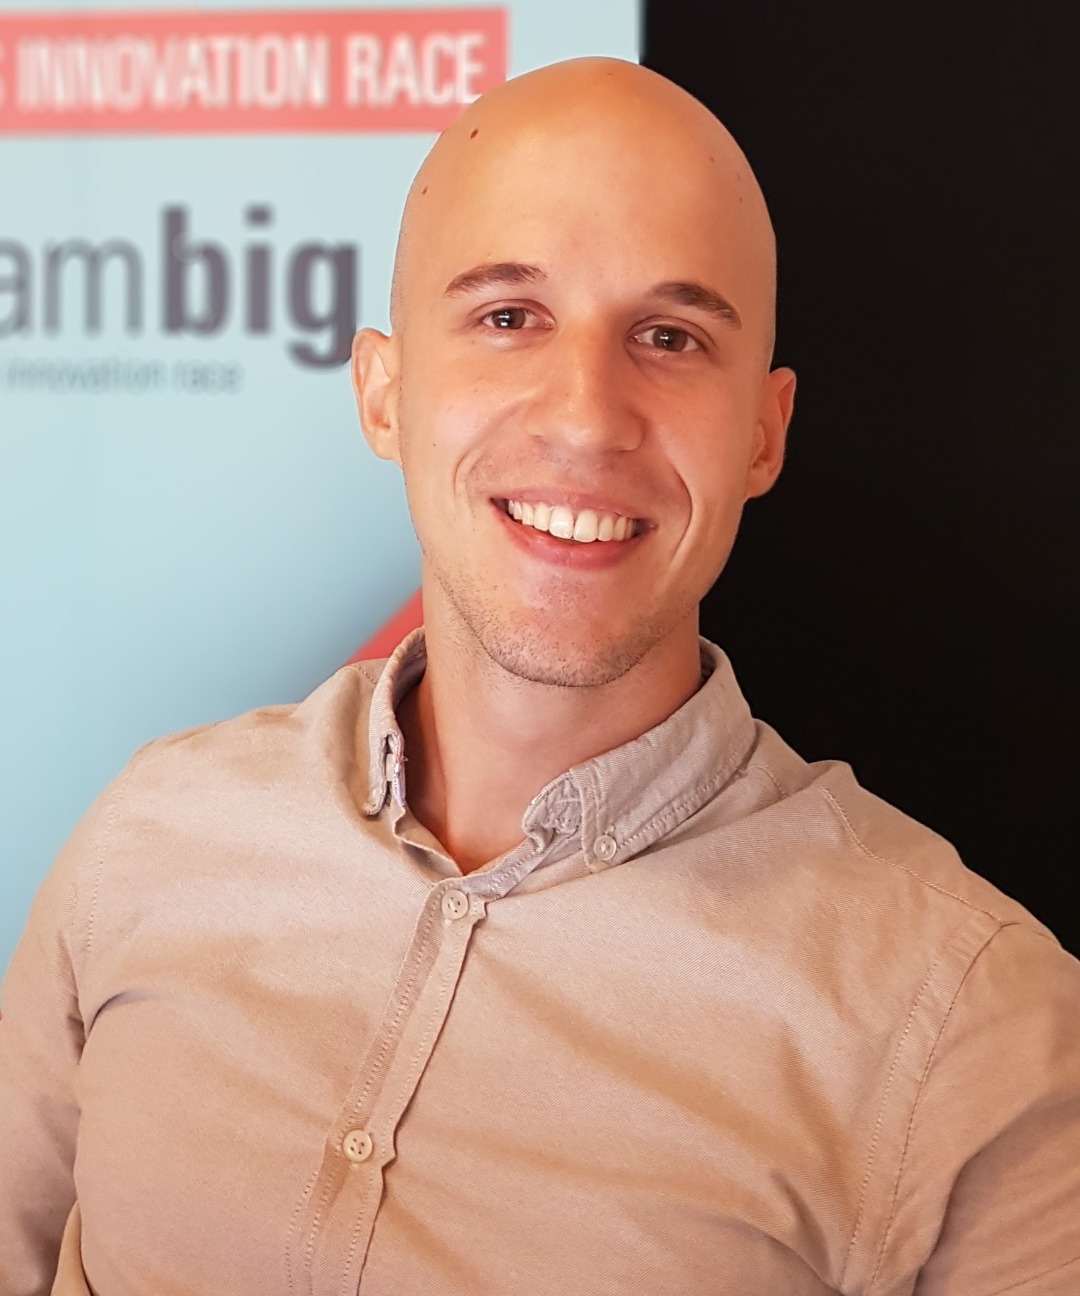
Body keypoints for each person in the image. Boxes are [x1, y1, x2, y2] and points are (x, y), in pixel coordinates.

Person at [2, 57, 1078, 1296]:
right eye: (509, 317)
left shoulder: (975, 1030)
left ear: (764, 433)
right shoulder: (147, 837)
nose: (585, 417)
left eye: (669, 338)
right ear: (384, 394)